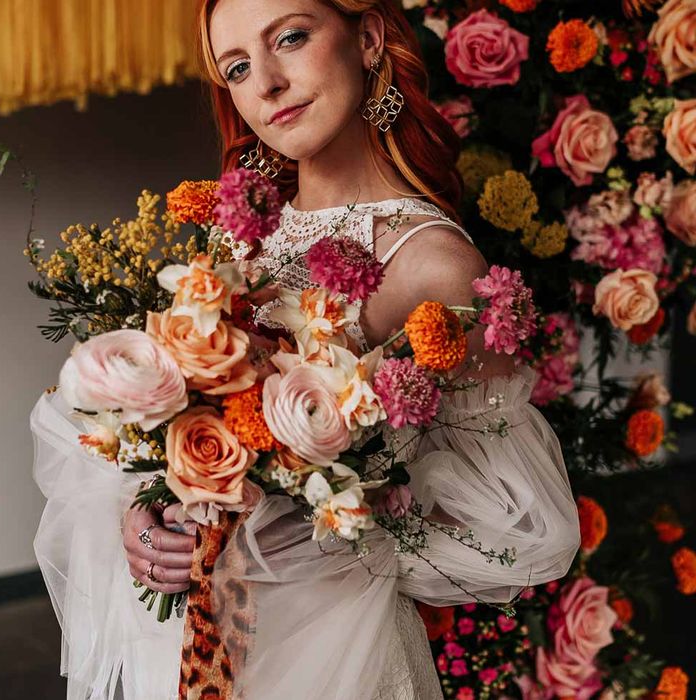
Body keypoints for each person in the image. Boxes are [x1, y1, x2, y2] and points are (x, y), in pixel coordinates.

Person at [31, 1, 582, 698]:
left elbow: (526, 525)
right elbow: (149, 438)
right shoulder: (240, 239)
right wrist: (144, 518)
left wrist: (337, 528)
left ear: (370, 37)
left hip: (328, 655)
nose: (265, 82)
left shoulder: (431, 269)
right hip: (181, 646)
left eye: (290, 37)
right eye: (237, 67)